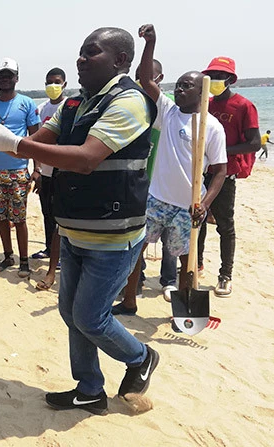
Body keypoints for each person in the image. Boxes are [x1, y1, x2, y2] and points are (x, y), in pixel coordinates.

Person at [0, 27, 159, 415]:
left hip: (112, 236)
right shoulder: (75, 104)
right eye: (80, 53)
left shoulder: (129, 102)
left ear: (121, 60)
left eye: (92, 53)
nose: (80, 60)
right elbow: (42, 138)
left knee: (90, 317)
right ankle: (89, 387)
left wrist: (13, 144)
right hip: (73, 229)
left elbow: (87, 157)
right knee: (70, 313)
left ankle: (140, 357)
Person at [113, 24, 228, 316]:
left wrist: (205, 203)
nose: (178, 89)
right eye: (177, 84)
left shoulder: (211, 127)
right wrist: (152, 43)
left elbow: (220, 171)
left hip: (187, 205)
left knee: (185, 258)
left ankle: (186, 310)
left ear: (201, 92)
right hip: (156, 198)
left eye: (186, 86)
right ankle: (129, 300)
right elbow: (145, 79)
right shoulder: (167, 111)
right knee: (137, 248)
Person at [197, 56, 260, 297]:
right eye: (211, 76)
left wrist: (220, 152)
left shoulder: (244, 106)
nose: (214, 80)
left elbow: (253, 143)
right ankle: (197, 263)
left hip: (226, 174)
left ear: (230, 79)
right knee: (197, 220)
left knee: (225, 225)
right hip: (201, 172)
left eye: (220, 77)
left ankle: (225, 275)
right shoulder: (206, 103)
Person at [0, 58, 41, 278]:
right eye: (2, 75)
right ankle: (8, 256)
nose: (6, 79)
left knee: (20, 218)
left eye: (10, 75)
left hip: (18, 170)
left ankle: (24, 260)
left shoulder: (27, 103)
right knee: (1, 218)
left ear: (17, 78)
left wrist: (37, 168)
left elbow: (36, 139)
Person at [136, 58, 179, 300]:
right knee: (139, 234)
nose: (142, 80)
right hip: (139, 179)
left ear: (159, 79)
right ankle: (137, 278)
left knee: (169, 234)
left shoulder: (169, 108)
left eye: (147, 76)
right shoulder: (134, 106)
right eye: (138, 75)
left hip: (163, 183)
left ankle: (169, 280)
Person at [33, 67, 66, 291]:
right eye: (48, 82)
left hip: (62, 170)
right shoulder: (41, 108)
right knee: (46, 213)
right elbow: (35, 142)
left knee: (60, 216)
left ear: (64, 84)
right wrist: (36, 169)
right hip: (44, 170)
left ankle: (62, 255)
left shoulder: (69, 107)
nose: (52, 86)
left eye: (56, 82)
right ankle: (47, 248)